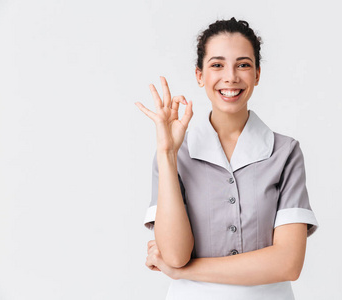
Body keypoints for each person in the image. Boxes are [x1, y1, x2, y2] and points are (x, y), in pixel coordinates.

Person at [135, 17, 319, 300]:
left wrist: (184, 271)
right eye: (217, 65)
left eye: (243, 64)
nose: (231, 77)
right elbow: (174, 254)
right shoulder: (175, 154)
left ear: (257, 74)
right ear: (200, 75)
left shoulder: (285, 153)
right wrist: (167, 154)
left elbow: (288, 263)